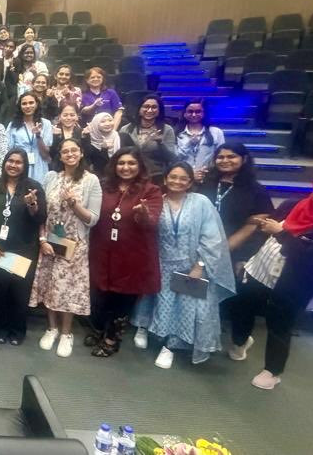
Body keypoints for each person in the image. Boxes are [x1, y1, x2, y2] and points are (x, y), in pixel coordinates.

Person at [229, 170, 313, 390]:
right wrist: (246, 257)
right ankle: (240, 341)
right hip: (260, 267)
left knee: (280, 322)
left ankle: (273, 371)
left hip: (295, 279)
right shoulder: (292, 204)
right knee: (242, 305)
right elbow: (263, 232)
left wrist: (282, 232)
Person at [131, 162, 235, 368]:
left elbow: (212, 238)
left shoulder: (201, 203)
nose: (177, 181)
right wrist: (142, 215)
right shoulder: (158, 202)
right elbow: (147, 231)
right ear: (165, 179)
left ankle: (170, 346)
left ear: (190, 182)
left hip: (191, 266)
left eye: (183, 178)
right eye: (173, 177)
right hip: (162, 264)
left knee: (187, 309)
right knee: (163, 304)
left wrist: (200, 265)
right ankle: (145, 328)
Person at [87, 147, 163, 357]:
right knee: (100, 295)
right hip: (102, 252)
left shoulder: (151, 191)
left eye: (131, 163)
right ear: (114, 166)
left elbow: (152, 221)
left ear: (140, 166)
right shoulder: (104, 186)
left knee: (122, 300)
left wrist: (144, 215)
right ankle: (98, 330)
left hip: (132, 255)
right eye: (121, 163)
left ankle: (112, 339)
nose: (126, 167)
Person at [33, 138, 102, 357]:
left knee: (68, 289)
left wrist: (74, 204)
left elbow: (92, 219)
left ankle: (66, 333)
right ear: (60, 156)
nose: (70, 154)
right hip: (51, 241)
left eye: (74, 150)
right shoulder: (52, 178)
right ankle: (52, 328)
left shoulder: (91, 180)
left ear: (81, 153)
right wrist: (42, 239)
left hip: (75, 245)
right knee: (49, 286)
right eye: (65, 151)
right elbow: (43, 213)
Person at [0, 149, 47, 345]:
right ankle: (0, 327)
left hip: (24, 247)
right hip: (0, 247)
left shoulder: (33, 187)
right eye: (10, 161)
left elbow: (41, 218)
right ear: (5, 162)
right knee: (0, 290)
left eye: (18, 162)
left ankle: (17, 330)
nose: (13, 165)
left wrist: (32, 205)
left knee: (19, 292)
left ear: (25, 166)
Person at [197, 143, 274, 275]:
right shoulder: (206, 183)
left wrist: (223, 250)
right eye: (220, 157)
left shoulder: (256, 190)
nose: (225, 160)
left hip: (233, 251)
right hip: (199, 245)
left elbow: (253, 226)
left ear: (244, 159)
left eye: (231, 156)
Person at [120, 93, 177, 184]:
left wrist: (160, 144)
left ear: (159, 111)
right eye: (146, 106)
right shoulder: (125, 129)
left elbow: (172, 158)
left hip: (156, 176)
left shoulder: (167, 129)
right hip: (130, 175)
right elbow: (120, 154)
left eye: (154, 107)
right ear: (139, 109)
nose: (150, 110)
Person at [6, 92, 54, 183]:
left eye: (31, 103)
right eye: (24, 103)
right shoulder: (13, 125)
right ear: (20, 106)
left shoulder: (45, 123)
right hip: (19, 164)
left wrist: (38, 136)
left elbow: (45, 153)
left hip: (39, 164)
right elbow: (9, 150)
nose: (28, 106)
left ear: (37, 104)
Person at [174, 99, 226, 183]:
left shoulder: (216, 132)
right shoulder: (176, 133)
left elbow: (221, 156)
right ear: (185, 114)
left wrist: (208, 171)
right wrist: (189, 144)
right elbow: (174, 158)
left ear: (204, 113)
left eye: (198, 111)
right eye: (190, 111)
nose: (194, 114)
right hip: (183, 177)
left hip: (208, 176)